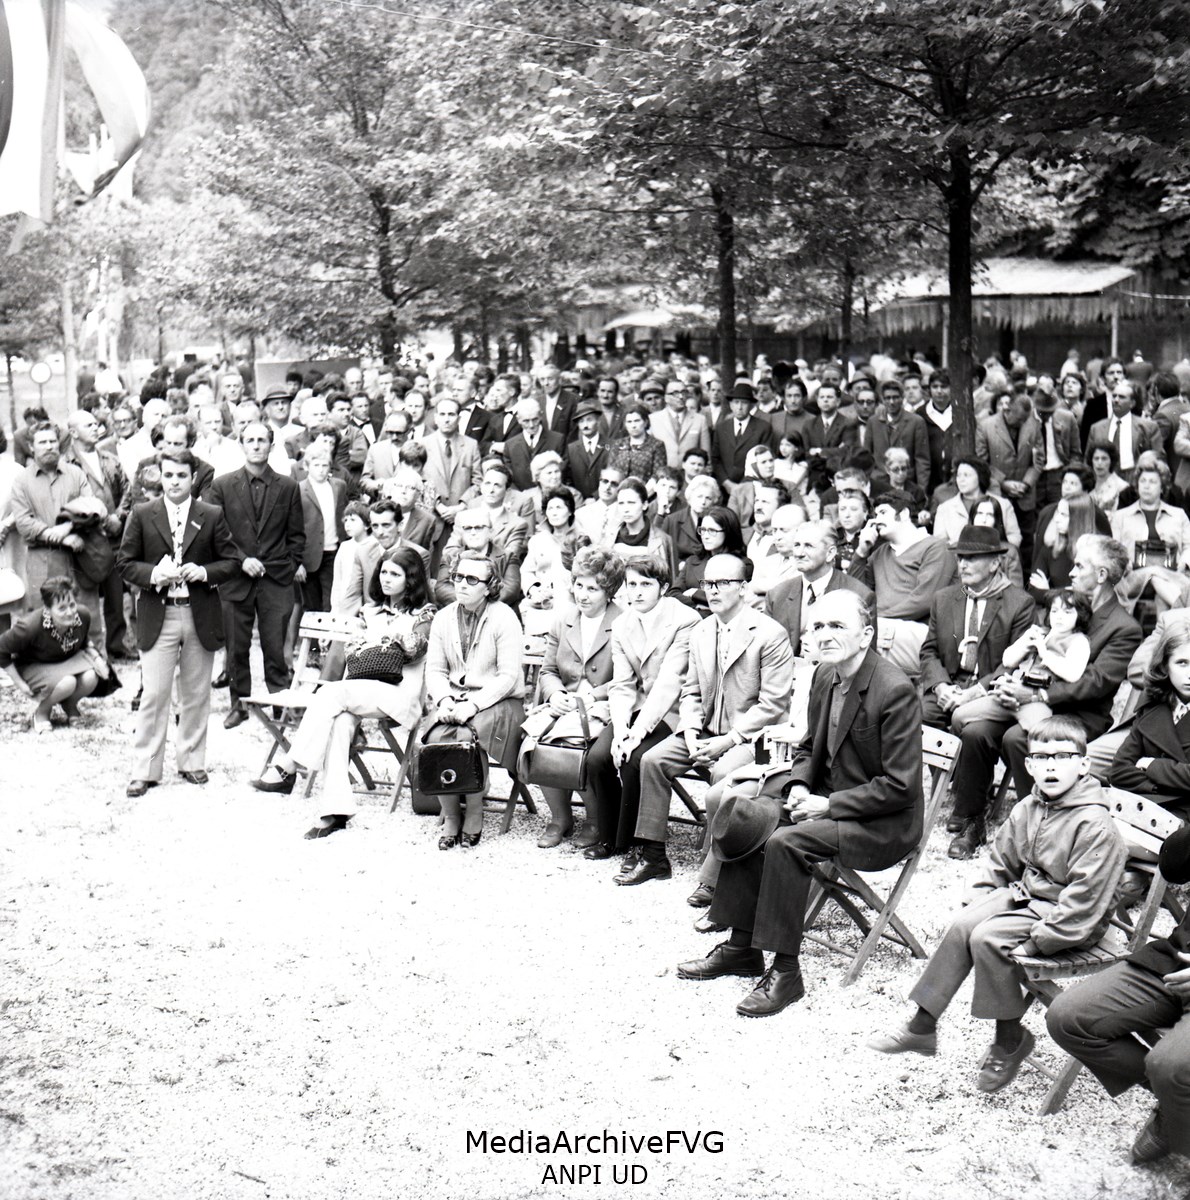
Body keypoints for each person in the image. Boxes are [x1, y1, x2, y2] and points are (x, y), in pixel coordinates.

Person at [677, 589, 921, 1015]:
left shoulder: (894, 690)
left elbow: (900, 787)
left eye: (837, 626)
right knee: (747, 817)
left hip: (883, 823)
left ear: (866, 635)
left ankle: (786, 972)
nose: (824, 635)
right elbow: (808, 748)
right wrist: (800, 786)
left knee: (785, 842)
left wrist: (828, 805)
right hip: (828, 801)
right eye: (818, 626)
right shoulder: (825, 675)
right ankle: (741, 948)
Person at [871, 716, 1126, 1092]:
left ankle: (1009, 1039)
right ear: (1029, 765)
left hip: (1069, 918)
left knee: (988, 938)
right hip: (1030, 895)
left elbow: (1086, 900)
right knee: (965, 925)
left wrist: (1040, 942)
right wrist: (979, 899)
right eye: (1041, 758)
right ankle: (922, 1025)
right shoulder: (1030, 807)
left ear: (1084, 764)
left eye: (1062, 757)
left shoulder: (1095, 824)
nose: (1051, 766)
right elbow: (1000, 862)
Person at [946, 534, 1142, 858]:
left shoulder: (1124, 627)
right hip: (1028, 701)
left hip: (1078, 714)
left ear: (1101, 575)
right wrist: (1005, 685)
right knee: (976, 731)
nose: (1071, 572)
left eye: (1079, 566)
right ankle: (971, 820)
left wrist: (1037, 695)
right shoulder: (1063, 605)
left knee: (1017, 739)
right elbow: (1031, 652)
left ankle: (1038, 832)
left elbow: (1096, 682)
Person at [622, 551, 794, 886]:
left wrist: (728, 741)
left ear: (743, 588)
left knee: (724, 773)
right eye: (707, 583)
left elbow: (772, 704)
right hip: (704, 732)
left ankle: (713, 874)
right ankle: (653, 856)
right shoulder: (702, 630)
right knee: (653, 760)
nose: (712, 590)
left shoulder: (769, 634)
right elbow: (691, 691)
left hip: (754, 739)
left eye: (723, 583)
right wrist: (689, 732)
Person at [251, 547, 436, 837]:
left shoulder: (424, 614)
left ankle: (289, 764)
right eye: (384, 572)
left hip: (400, 695)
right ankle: (335, 811)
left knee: (330, 693)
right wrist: (380, 643)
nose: (386, 578)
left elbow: (414, 650)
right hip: (362, 690)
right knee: (340, 722)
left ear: (410, 579)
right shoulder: (370, 611)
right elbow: (352, 651)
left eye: (395, 574)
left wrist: (378, 642)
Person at [1046, 820, 1190, 1165]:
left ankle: (1176, 1112)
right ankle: (1178, 1108)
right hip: (1176, 961)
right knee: (1068, 1018)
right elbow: (1173, 867)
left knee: (1169, 1066)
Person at [117, 450, 241, 795]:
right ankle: (145, 768)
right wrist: (153, 574)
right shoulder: (143, 513)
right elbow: (125, 563)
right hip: (160, 612)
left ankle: (191, 761)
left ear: (193, 478)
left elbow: (231, 561)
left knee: (196, 692)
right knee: (155, 694)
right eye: (168, 475)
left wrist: (204, 571)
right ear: (160, 476)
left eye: (181, 476)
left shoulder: (211, 514)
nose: (174, 482)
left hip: (198, 611)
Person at [588, 556, 702, 862]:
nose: (636, 592)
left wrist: (637, 733)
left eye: (646, 584)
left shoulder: (685, 619)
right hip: (638, 705)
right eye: (632, 584)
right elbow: (622, 684)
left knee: (635, 759)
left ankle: (632, 841)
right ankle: (609, 836)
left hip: (673, 708)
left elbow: (670, 682)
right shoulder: (621, 624)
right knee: (598, 757)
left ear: (663, 587)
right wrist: (620, 730)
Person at [420, 551, 526, 848]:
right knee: (436, 737)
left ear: (489, 586)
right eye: (458, 577)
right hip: (454, 698)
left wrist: (473, 705)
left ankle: (475, 812)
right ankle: (452, 815)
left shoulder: (504, 617)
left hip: (499, 701)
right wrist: (444, 700)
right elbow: (435, 670)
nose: (462, 584)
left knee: (467, 737)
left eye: (471, 579)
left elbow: (508, 676)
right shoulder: (443, 617)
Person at [206, 422, 306, 728]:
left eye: (262, 440)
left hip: (276, 580)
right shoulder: (222, 486)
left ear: (271, 445)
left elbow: (297, 537)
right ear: (241, 445)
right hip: (236, 579)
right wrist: (241, 560)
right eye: (250, 440)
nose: (256, 445)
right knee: (236, 647)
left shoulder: (288, 486)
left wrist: (288, 567)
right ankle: (239, 704)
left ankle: (280, 704)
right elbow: (216, 535)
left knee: (275, 647)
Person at [525, 547, 624, 849]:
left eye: (592, 589)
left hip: (605, 705)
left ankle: (594, 818)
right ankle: (560, 816)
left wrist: (592, 695)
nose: (583, 595)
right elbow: (548, 670)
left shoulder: (624, 621)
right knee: (532, 741)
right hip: (565, 703)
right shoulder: (564, 619)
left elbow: (629, 678)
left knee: (575, 743)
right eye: (579, 585)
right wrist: (555, 693)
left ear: (609, 591)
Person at [950, 589, 1093, 735]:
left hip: (1035, 700)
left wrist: (1044, 653)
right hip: (1010, 692)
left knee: (1041, 732)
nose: (1059, 617)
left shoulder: (1079, 641)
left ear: (1080, 615)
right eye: (1054, 611)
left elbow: (1072, 674)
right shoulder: (1041, 632)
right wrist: (1024, 643)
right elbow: (1007, 661)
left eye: (1067, 612)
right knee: (959, 716)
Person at [851, 489, 957, 675]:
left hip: (923, 634)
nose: (876, 520)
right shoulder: (878, 553)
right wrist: (861, 552)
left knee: (856, 635)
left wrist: (872, 619)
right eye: (875, 515)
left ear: (905, 513)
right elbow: (856, 595)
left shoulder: (935, 548)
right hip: (883, 629)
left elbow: (924, 601)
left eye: (883, 512)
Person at [0, 576, 110, 733]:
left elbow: (83, 639)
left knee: (91, 677)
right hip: (33, 665)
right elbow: (1, 649)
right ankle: (42, 712)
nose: (70, 612)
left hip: (63, 661)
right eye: (62, 608)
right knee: (68, 682)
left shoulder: (83, 615)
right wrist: (20, 684)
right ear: (47, 609)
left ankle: (70, 705)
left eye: (72, 605)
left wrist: (97, 658)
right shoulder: (29, 626)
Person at [1108, 615, 1190, 817]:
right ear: (1165, 666)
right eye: (1182, 663)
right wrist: (1168, 786)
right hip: (1154, 807)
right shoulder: (1153, 704)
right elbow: (1119, 771)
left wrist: (1152, 765)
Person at [764, 519, 874, 654]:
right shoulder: (777, 595)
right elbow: (766, 650)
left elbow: (866, 655)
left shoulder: (860, 596)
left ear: (830, 553)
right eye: (797, 545)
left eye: (808, 546)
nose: (799, 553)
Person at [1111, 461, 1190, 613]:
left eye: (1152, 482)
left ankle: (1167, 627)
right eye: (1143, 481)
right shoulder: (1120, 517)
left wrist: (1184, 562)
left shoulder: (1178, 515)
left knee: (1160, 591)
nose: (1146, 486)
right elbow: (1114, 550)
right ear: (1137, 485)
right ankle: (1185, 611)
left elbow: (1189, 546)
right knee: (1153, 573)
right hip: (1133, 577)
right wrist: (1125, 563)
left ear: (1162, 487)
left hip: (1172, 576)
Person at [296, 443, 347, 615]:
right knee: (311, 605)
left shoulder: (339, 486)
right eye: (316, 465)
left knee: (331, 602)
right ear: (306, 466)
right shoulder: (298, 489)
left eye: (325, 465)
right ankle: (313, 635)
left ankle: (328, 633)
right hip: (308, 556)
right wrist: (296, 562)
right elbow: (292, 528)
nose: (321, 470)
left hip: (333, 552)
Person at [672, 505, 746, 611]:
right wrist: (696, 606)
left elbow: (733, 599)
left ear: (728, 532)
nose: (705, 536)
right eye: (703, 530)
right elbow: (673, 594)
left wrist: (696, 593)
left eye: (712, 530)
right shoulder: (692, 561)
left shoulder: (742, 564)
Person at [1028, 494, 1096, 605]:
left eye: (1063, 515)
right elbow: (1032, 590)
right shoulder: (1051, 547)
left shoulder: (1094, 553)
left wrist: (1049, 592)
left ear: (1078, 519)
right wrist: (1061, 592)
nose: (1056, 519)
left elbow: (1083, 599)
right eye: (1057, 513)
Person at [711, 382, 777, 487]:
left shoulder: (763, 428)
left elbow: (764, 459)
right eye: (736, 402)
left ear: (751, 405)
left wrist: (744, 486)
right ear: (731, 405)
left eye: (744, 403)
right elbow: (715, 459)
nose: (740, 407)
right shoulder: (721, 427)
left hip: (751, 486)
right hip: (724, 486)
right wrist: (727, 483)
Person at [607, 477, 676, 575]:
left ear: (644, 505)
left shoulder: (661, 540)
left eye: (631, 503)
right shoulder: (610, 536)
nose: (626, 509)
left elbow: (670, 579)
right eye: (621, 503)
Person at [650, 379, 711, 470]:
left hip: (691, 473)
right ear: (666, 398)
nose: (681, 397)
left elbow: (706, 454)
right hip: (663, 473)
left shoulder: (700, 420)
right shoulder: (653, 419)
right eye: (675, 393)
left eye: (684, 392)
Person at [1085, 439, 1129, 515]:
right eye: (1096, 458)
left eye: (1104, 459)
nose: (1099, 463)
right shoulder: (1087, 485)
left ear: (1111, 461)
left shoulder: (1122, 488)